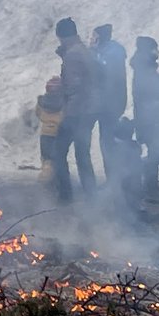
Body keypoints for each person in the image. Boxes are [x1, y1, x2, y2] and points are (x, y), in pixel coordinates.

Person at [50, 18, 97, 203]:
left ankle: (65, 195)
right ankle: (91, 193)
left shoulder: (73, 55)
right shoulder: (84, 51)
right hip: (89, 109)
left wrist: (64, 99)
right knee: (82, 153)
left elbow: (74, 86)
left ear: (63, 36)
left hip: (77, 110)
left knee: (58, 152)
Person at [130, 37, 159, 201]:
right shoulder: (144, 68)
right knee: (154, 154)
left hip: (148, 116)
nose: (157, 52)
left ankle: (148, 189)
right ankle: (150, 191)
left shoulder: (143, 67)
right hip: (150, 118)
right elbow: (156, 90)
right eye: (155, 49)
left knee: (154, 153)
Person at [90, 24, 128, 181]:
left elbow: (106, 77)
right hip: (109, 103)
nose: (91, 40)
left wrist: (93, 52)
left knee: (108, 142)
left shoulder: (110, 54)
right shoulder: (111, 51)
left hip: (109, 104)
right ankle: (114, 177)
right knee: (107, 141)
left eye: (94, 36)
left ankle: (114, 179)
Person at [35, 76, 64, 184]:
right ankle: (56, 178)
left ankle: (45, 177)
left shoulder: (42, 101)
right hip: (58, 132)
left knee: (46, 158)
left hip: (45, 133)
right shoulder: (64, 101)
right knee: (57, 157)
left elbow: (37, 114)